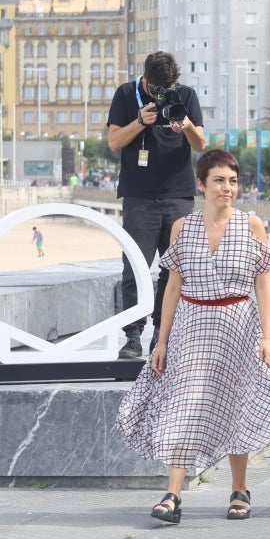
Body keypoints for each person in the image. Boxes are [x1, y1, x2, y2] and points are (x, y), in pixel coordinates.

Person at [116, 150, 270, 524]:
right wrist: (162, 341)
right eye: (219, 180)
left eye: (233, 181)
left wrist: (268, 338)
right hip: (192, 324)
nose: (228, 188)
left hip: (238, 324)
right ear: (201, 185)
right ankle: (173, 493)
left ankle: (240, 490)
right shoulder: (182, 228)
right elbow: (172, 287)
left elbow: (264, 285)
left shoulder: (251, 224)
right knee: (183, 404)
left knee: (237, 405)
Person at [107, 51, 206, 359]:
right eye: (156, 89)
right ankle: (133, 336)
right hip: (140, 196)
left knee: (173, 269)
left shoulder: (185, 96)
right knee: (134, 268)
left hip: (179, 195)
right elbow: (114, 142)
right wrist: (140, 121)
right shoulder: (126, 94)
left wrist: (186, 127)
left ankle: (160, 337)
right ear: (145, 80)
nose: (163, 95)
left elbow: (201, 144)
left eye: (168, 88)